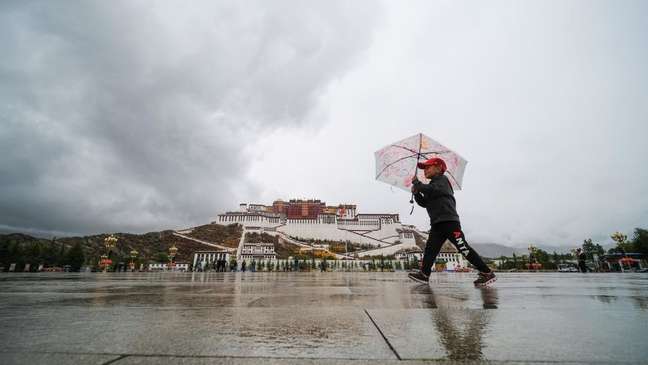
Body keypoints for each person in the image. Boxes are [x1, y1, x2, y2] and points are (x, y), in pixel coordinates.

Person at [407, 157, 496, 287]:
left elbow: (433, 190)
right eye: (424, 168)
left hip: (449, 222)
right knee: (430, 250)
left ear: (438, 168)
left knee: (463, 248)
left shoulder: (442, 180)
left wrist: (418, 184)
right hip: (437, 224)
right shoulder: (431, 185)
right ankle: (424, 275)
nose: (425, 170)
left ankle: (487, 273)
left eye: (428, 167)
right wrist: (416, 194)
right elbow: (425, 203)